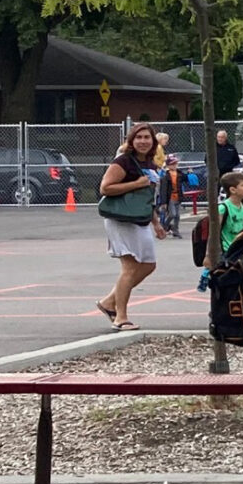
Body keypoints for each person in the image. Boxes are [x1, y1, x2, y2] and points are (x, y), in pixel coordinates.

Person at [96, 123, 161, 330]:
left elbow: (146, 198)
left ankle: (109, 302)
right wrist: (136, 184)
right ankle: (120, 317)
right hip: (120, 219)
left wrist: (156, 222)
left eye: (147, 137)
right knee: (130, 267)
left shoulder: (150, 164)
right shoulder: (123, 161)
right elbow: (105, 187)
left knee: (148, 265)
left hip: (140, 219)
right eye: (139, 137)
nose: (143, 141)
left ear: (153, 141)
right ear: (131, 140)